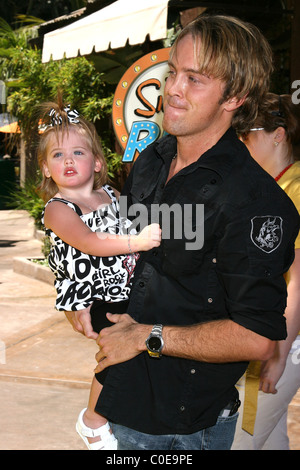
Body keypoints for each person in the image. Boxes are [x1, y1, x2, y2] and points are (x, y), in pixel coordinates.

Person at [69, 15, 300, 451]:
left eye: (195, 79)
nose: (172, 88)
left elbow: (258, 335)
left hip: (183, 431)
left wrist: (148, 336)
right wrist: (84, 298)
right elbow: (134, 266)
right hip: (120, 400)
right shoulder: (149, 162)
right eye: (173, 71)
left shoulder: (255, 203)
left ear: (235, 96)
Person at [37, 100, 161, 450]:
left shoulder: (109, 194)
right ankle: (92, 420)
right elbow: (91, 242)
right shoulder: (58, 210)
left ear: (98, 162)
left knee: (137, 348)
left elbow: (134, 219)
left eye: (78, 152)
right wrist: (137, 240)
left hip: (126, 288)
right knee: (120, 352)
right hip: (94, 295)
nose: (69, 161)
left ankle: (118, 410)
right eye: (58, 156)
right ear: (46, 168)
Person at [232, 93, 300, 450]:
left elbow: (299, 284)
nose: (240, 143)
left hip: (283, 340)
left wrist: (278, 355)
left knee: (238, 442)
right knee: (271, 440)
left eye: (247, 134)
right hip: (269, 336)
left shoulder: (296, 190)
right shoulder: (271, 188)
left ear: (278, 134)